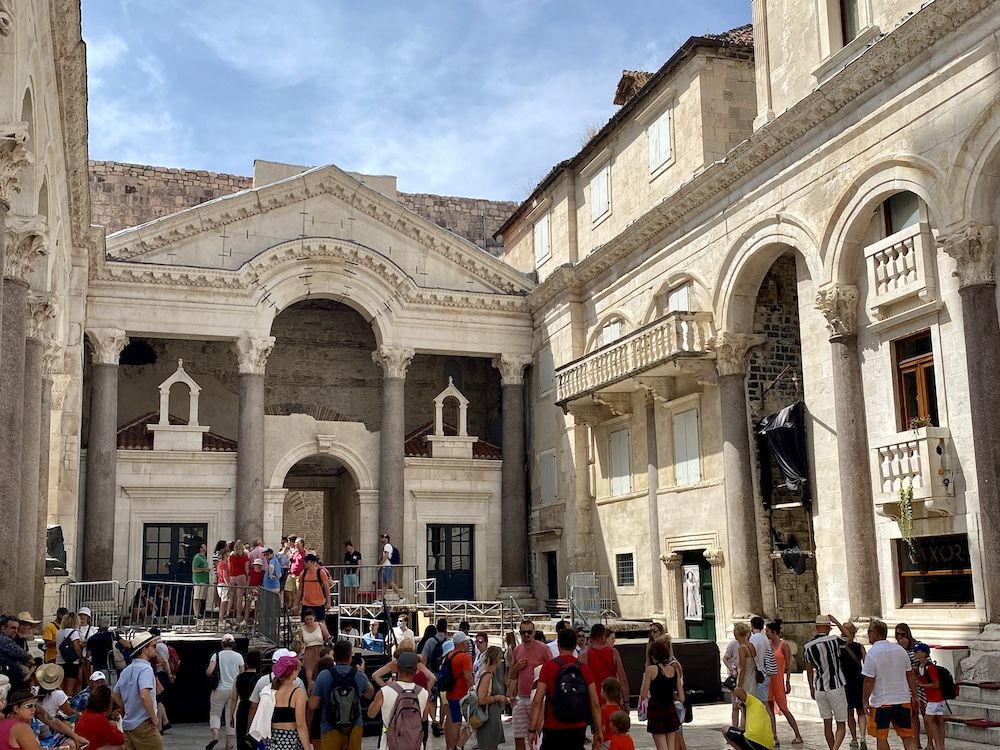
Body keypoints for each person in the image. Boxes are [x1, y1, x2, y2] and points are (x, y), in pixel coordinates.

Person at [529, 626, 602, 750]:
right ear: (575, 646)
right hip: (578, 725)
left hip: (553, 726)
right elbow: (595, 702)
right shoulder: (583, 668)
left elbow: (537, 701)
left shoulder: (548, 667)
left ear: (558, 645)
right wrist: (598, 730)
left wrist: (532, 729)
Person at [862, 620, 919, 750]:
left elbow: (868, 680)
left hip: (882, 702)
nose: (868, 635)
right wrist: (915, 696)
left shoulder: (872, 653)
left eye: (869, 632)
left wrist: (865, 700)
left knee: (881, 737)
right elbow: (910, 675)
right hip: (902, 699)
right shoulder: (900, 650)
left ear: (876, 633)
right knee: (907, 737)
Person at [308, 639, 374, 750]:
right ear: (350, 657)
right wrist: (363, 674)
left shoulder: (324, 675)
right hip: (354, 726)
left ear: (334, 657)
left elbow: (313, 705)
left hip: (330, 726)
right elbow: (370, 694)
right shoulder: (358, 675)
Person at [367, 651, 429, 750]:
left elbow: (371, 714)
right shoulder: (424, 693)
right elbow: (425, 718)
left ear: (397, 668)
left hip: (390, 745)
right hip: (414, 744)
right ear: (416, 671)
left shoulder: (384, 692)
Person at [112, 630, 162, 750]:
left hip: (129, 724)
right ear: (145, 649)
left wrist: (126, 707)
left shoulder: (127, 670)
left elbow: (114, 694)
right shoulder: (145, 669)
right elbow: (144, 694)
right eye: (153, 646)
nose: (155, 648)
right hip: (144, 723)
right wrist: (154, 718)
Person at [804, 615, 848, 750]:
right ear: (828, 627)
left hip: (820, 688)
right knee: (841, 725)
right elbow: (849, 637)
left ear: (817, 627)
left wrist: (811, 687)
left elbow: (809, 670)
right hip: (836, 686)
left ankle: (831, 748)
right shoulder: (834, 640)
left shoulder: (808, 646)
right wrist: (837, 622)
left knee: (827, 723)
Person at [508, 618, 551, 750]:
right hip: (521, 698)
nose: (526, 635)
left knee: (537, 736)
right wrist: (516, 668)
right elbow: (511, 675)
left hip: (538, 698)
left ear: (534, 632)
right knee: (519, 736)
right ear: (519, 633)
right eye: (523, 632)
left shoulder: (543, 649)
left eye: (529, 632)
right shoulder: (517, 650)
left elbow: (551, 670)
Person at [253, 655, 310, 750]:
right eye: (297, 669)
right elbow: (301, 725)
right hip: (290, 741)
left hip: (272, 742)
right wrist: (307, 747)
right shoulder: (297, 693)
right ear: (292, 672)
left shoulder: (269, 691)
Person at [830, 616, 866, 749]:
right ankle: (862, 736)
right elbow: (866, 665)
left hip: (845, 682)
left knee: (850, 712)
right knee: (861, 711)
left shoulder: (839, 649)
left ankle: (854, 738)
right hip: (859, 680)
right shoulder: (860, 647)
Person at [765, 620, 803, 744]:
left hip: (779, 680)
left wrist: (788, 681)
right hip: (769, 680)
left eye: (768, 631)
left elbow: (788, 665)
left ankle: (798, 735)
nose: (766, 633)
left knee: (784, 708)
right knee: (769, 709)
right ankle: (774, 736)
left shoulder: (784, 645)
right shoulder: (768, 645)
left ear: (774, 632)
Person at [640, 638, 683, 749]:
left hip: (656, 710)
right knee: (671, 746)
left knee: (662, 747)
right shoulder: (675, 670)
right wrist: (672, 695)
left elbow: (643, 694)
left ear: (653, 656)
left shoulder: (651, 670)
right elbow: (682, 697)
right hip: (670, 708)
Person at [206, 633, 246, 750]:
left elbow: (209, 671)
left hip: (219, 689)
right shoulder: (239, 656)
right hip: (234, 691)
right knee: (231, 716)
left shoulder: (216, 655)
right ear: (233, 644)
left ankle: (215, 736)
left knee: (215, 714)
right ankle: (229, 744)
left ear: (222, 644)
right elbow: (242, 674)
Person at [581, 624, 629, 709]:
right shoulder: (613, 653)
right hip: (612, 701)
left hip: (593, 702)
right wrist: (626, 701)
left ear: (591, 637)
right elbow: (623, 679)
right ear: (603, 636)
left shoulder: (585, 655)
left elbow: (582, 681)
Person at [894, 623, 924, 748]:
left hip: (920, 684)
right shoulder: (896, 649)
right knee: (913, 715)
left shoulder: (918, 646)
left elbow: (922, 663)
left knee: (926, 714)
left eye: (902, 634)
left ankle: (928, 742)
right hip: (906, 685)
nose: (900, 637)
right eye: (897, 634)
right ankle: (916, 742)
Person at [444, 631, 474, 750]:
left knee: (452, 720)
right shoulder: (464, 658)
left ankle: (450, 746)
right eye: (466, 642)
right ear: (462, 643)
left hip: (451, 693)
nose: (468, 645)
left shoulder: (450, 655)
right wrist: (474, 691)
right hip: (461, 695)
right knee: (460, 722)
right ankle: (456, 746)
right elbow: (468, 678)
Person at [474, 646, 509, 750]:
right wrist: (497, 698)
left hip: (494, 717)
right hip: (488, 719)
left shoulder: (491, 675)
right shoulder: (487, 676)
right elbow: (481, 699)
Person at [913, 644, 944, 750]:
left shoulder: (930, 667)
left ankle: (938, 745)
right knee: (936, 720)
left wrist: (921, 685)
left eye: (917, 651)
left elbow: (936, 684)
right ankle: (940, 745)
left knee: (928, 719)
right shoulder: (919, 667)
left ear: (924, 653)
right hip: (931, 698)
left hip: (935, 698)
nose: (915, 653)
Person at [76, 684, 126, 750]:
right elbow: (120, 739)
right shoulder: (98, 719)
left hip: (85, 745)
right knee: (123, 746)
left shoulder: (87, 712)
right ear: (107, 703)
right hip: (90, 747)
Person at [231, 650, 260, 750]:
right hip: (256, 709)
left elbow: (234, 698)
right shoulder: (259, 679)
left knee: (241, 738)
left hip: (242, 708)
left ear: (246, 663)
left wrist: (231, 715)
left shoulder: (238, 678)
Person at [294, 608, 330, 682]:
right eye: (307, 619)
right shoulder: (302, 629)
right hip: (309, 653)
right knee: (309, 676)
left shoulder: (320, 625)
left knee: (322, 673)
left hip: (320, 650)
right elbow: (300, 643)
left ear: (314, 618)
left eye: (311, 619)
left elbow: (328, 638)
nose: (309, 621)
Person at [734, 623, 757, 728]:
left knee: (744, 708)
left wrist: (739, 686)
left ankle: (745, 730)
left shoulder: (742, 648)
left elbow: (743, 668)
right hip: (753, 679)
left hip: (746, 680)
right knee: (750, 707)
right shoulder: (751, 646)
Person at [55, 612, 83, 696]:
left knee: (60, 687)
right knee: (69, 689)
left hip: (59, 661)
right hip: (72, 663)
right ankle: (68, 705)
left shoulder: (59, 632)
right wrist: (81, 658)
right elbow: (76, 648)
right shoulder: (74, 633)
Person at [297, 554, 331, 622]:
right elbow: (300, 590)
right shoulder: (303, 574)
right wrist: (296, 604)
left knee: (321, 624)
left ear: (313, 562)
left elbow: (326, 588)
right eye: (304, 561)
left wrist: (328, 602)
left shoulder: (321, 573)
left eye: (307, 561)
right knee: (305, 624)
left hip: (319, 604)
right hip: (306, 604)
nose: (305, 563)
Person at [228, 541, 250, 624]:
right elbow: (246, 570)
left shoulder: (231, 557)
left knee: (231, 596)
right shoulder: (245, 557)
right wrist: (248, 578)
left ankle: (228, 613)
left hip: (232, 576)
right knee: (240, 598)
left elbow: (229, 568)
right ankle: (238, 615)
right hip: (241, 576)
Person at [378, 534, 405, 603]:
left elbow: (386, 557)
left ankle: (401, 597)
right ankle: (381, 599)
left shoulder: (387, 546)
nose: (381, 539)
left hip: (387, 566)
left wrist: (380, 565)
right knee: (384, 584)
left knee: (390, 582)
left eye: (383, 538)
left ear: (386, 539)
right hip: (385, 567)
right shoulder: (386, 546)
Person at [600, 677, 625, 742]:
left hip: (606, 740)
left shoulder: (603, 710)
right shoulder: (619, 709)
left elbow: (603, 728)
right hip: (617, 739)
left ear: (605, 692)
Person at [192, 542, 212, 619]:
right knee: (196, 597)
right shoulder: (197, 557)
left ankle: (198, 612)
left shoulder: (203, 557)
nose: (206, 547)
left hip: (204, 580)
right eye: (204, 546)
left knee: (201, 598)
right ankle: (195, 613)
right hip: (198, 580)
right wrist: (204, 569)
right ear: (200, 548)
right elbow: (194, 569)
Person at [217, 547, 232, 625]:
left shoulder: (220, 563)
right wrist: (228, 585)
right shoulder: (224, 564)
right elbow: (225, 575)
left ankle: (221, 619)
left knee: (224, 602)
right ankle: (221, 620)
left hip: (220, 584)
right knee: (224, 601)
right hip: (223, 584)